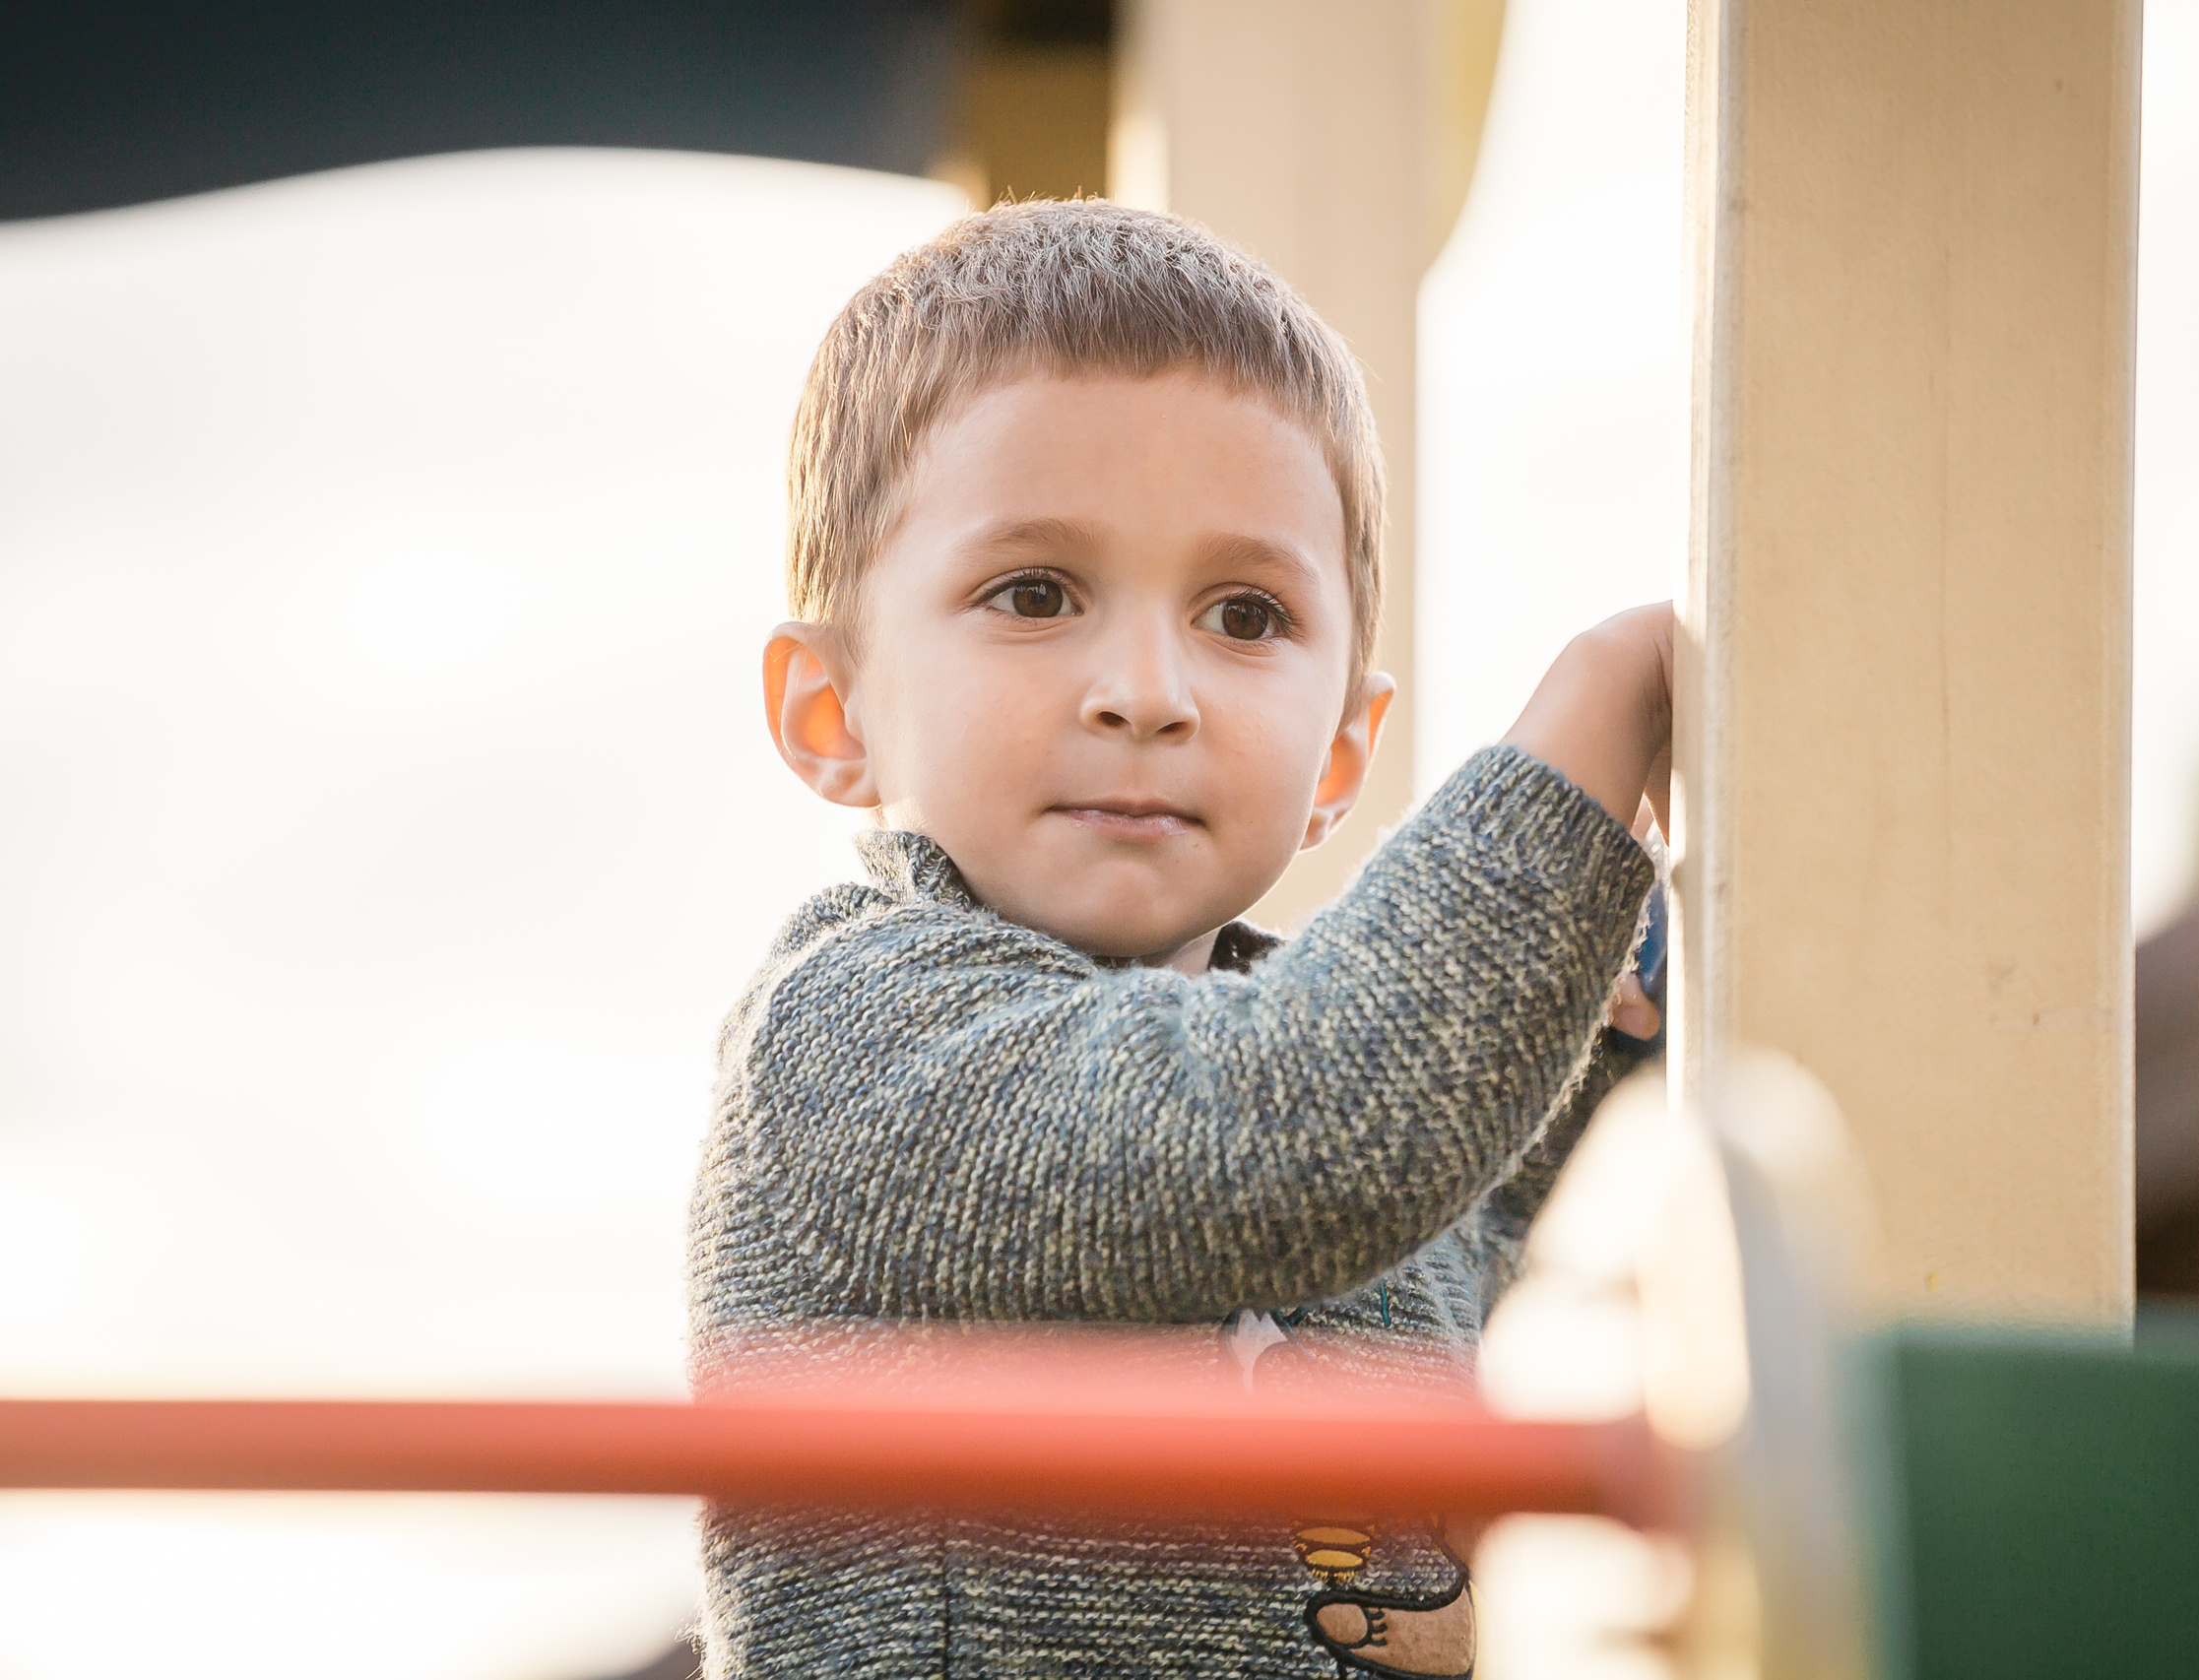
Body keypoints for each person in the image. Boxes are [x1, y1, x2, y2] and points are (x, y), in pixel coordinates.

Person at [686, 198, 1673, 1680]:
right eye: (1035, 593)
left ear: (1341, 752)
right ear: (835, 713)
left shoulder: (1342, 1077)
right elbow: (1291, 1131)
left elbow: (1479, 1221)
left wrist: (1614, 1023)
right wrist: (1593, 720)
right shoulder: (855, 1029)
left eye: (1245, 612)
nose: (1147, 689)